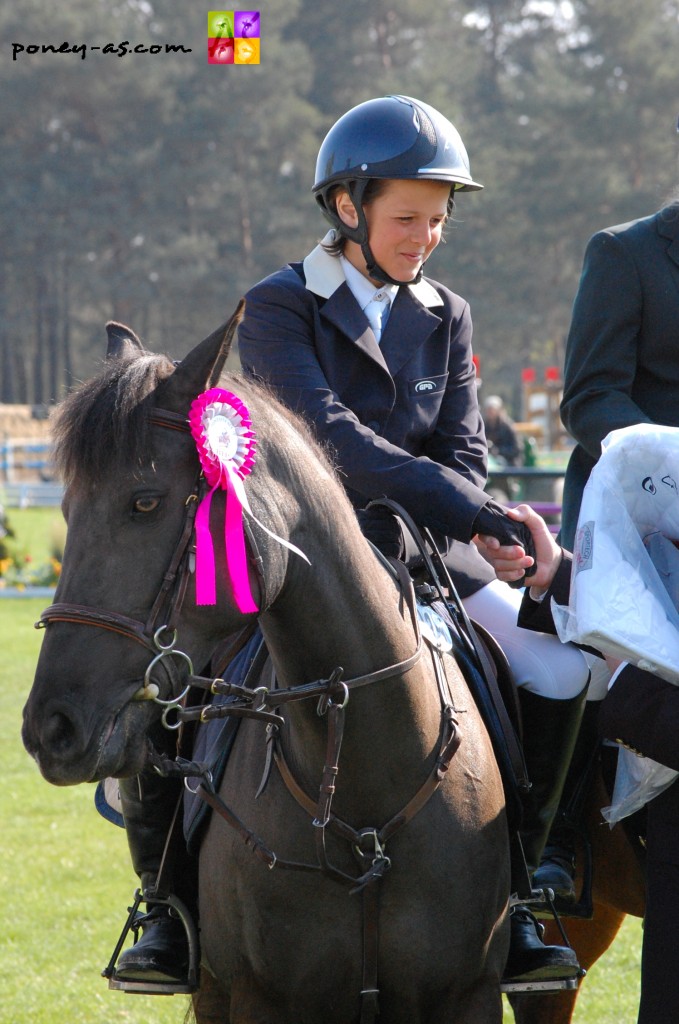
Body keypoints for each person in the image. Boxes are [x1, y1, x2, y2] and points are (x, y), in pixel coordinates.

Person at [236, 94, 591, 985]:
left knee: (561, 669)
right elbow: (327, 442)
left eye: (437, 220)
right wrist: (473, 511)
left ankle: (526, 884)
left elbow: (461, 448)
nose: (425, 236)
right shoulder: (279, 306)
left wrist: (488, 532)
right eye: (407, 218)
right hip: (300, 560)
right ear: (348, 207)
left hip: (425, 557)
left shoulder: (448, 313)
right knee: (185, 675)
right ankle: (163, 903)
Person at [475, 502, 679, 1024]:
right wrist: (562, 573)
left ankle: (554, 839)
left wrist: (621, 671)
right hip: (626, 522)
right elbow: (591, 413)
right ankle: (554, 849)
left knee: (571, 671)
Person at [534, 197, 679, 905]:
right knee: (583, 659)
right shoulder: (625, 254)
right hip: (629, 521)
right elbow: (590, 398)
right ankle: (555, 841)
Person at [483, 394, 522, 467]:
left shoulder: (508, 426)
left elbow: (516, 449)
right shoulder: (484, 426)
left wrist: (498, 451)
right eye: (488, 410)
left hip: (509, 464)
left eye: (492, 410)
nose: (490, 413)